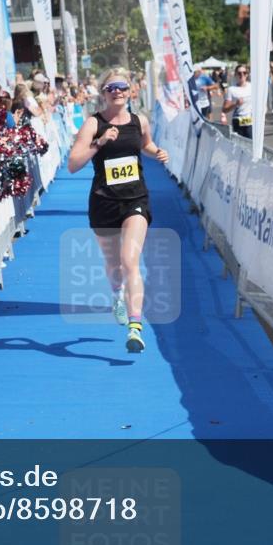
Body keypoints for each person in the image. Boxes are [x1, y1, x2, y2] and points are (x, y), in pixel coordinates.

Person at [67, 67, 169, 353]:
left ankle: (135, 327)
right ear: (103, 93)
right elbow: (73, 164)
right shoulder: (93, 123)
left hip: (136, 198)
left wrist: (157, 152)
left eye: (122, 87)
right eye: (111, 87)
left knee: (129, 261)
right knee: (113, 264)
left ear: (130, 91)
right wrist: (99, 143)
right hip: (104, 201)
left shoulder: (139, 121)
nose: (117, 92)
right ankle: (117, 294)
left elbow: (146, 144)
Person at [223, 65, 253, 138]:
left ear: (247, 74)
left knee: (251, 143)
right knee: (240, 143)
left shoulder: (252, 87)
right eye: (239, 73)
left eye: (244, 73)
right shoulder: (231, 89)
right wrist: (235, 104)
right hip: (238, 121)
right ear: (235, 75)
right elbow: (225, 109)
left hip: (251, 121)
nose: (242, 75)